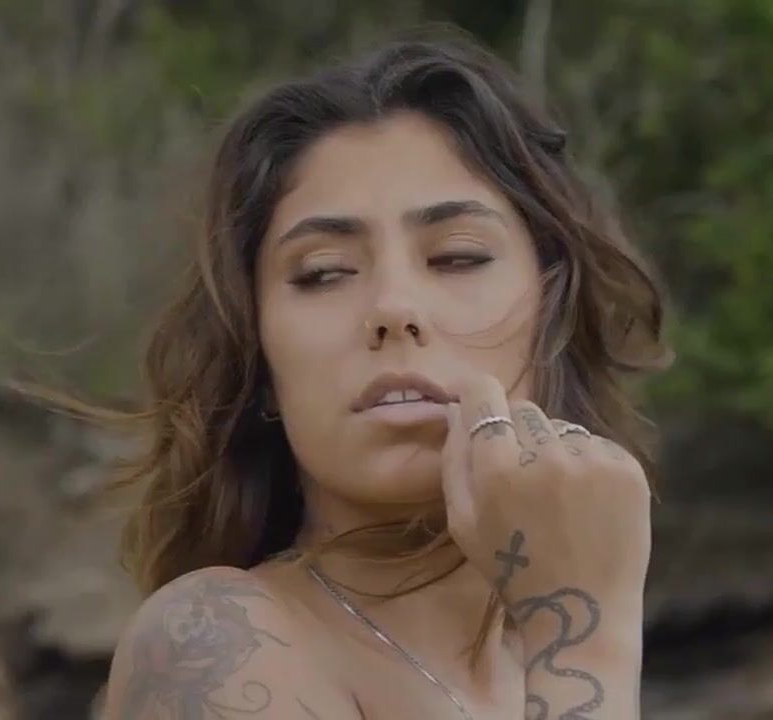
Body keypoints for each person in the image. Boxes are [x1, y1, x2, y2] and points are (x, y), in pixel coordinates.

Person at [99, 31, 671, 720]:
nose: (394, 309)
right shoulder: (215, 644)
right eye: (323, 273)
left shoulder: (532, 665)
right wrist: (585, 640)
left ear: (556, 316)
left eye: (457, 257)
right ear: (260, 359)